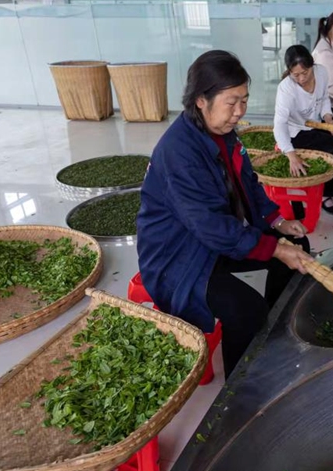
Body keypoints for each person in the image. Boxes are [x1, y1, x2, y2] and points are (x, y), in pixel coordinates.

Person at [137, 50, 313, 379]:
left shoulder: (223, 133)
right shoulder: (180, 153)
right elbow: (212, 227)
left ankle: (275, 340)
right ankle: (239, 394)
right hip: (179, 257)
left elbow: (248, 181)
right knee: (246, 310)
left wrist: (277, 223)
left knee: (299, 248)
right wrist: (275, 248)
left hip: (212, 239)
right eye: (231, 102)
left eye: (244, 101)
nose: (239, 112)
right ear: (201, 100)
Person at [274, 44, 333, 215]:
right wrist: (290, 154)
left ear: (312, 66)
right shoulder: (286, 88)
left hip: (318, 121)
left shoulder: (321, 72)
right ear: (289, 72)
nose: (302, 78)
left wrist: (328, 118)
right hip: (297, 131)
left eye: (305, 72)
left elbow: (324, 98)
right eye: (296, 75)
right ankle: (325, 193)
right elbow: (279, 124)